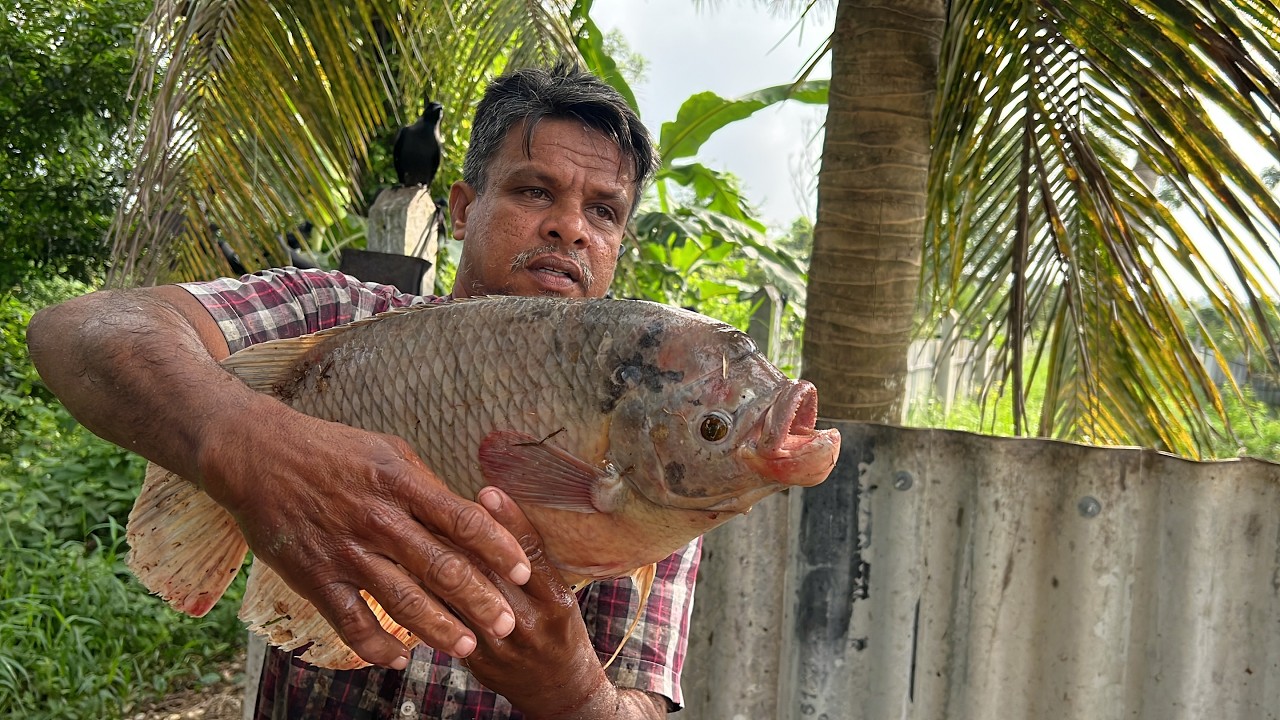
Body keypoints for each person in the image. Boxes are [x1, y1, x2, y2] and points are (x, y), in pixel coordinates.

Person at [27, 60, 700, 719]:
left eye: (604, 211)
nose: (570, 227)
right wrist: (247, 442)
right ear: (463, 210)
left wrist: (575, 696)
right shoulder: (336, 316)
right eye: (533, 191)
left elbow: (640, 698)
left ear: (618, 244)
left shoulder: (652, 441)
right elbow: (77, 330)